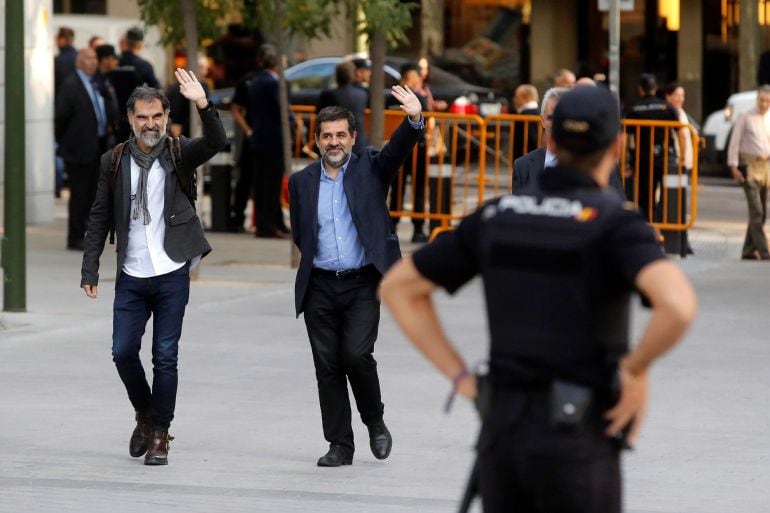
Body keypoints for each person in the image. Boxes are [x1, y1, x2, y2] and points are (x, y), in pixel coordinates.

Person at [381, 85, 697, 513]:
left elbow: (399, 288)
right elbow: (677, 306)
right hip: (578, 439)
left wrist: (460, 377)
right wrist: (634, 368)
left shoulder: (498, 214)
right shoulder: (614, 225)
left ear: (551, 138)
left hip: (503, 436)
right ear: (618, 146)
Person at [80, 73, 226, 465]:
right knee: (122, 351)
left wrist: (203, 103)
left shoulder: (178, 152)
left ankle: (160, 434)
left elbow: (218, 142)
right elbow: (99, 217)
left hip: (171, 270)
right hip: (131, 273)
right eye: (143, 117)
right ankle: (145, 414)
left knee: (165, 356)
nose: (151, 124)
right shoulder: (113, 161)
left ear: (165, 116)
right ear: (130, 118)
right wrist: (89, 269)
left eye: (157, 116)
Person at [288, 86, 424, 467]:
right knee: (327, 366)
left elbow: (399, 150)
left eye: (341, 135)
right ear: (316, 140)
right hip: (319, 285)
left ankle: (375, 420)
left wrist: (414, 119)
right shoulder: (302, 182)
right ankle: (339, 446)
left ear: (353, 137)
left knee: (356, 354)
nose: (334, 142)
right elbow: (302, 234)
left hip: (363, 282)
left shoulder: (371, 167)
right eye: (327, 135)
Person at [55, 48, 113, 251]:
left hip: (96, 147)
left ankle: (85, 232)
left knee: (91, 194)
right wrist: (66, 141)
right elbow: (61, 117)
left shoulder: (95, 83)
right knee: (79, 195)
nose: (93, 62)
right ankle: (75, 237)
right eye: (88, 58)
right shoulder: (71, 84)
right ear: (79, 62)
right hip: (78, 149)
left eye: (95, 58)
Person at [246, 44, 292, 239]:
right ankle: (269, 225)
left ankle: (272, 222)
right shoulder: (274, 84)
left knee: (263, 184)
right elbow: (282, 110)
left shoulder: (256, 81)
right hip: (273, 139)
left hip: (259, 138)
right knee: (271, 185)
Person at [624, 73, 679, 220]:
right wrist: (682, 158)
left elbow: (624, 137)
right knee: (670, 195)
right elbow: (681, 132)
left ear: (640, 89)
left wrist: (625, 161)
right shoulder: (667, 107)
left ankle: (647, 226)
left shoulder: (633, 109)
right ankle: (664, 224)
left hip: (643, 159)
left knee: (645, 196)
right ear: (655, 88)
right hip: (666, 157)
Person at [388, 62, 430, 243]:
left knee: (397, 187)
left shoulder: (389, 98)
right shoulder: (419, 99)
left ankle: (392, 226)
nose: (418, 80)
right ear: (408, 78)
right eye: (415, 77)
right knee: (418, 188)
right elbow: (426, 123)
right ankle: (418, 228)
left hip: (395, 148)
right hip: (416, 148)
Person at [727, 85, 770, 260]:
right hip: (749, 166)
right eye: (762, 100)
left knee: (761, 213)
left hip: (765, 166)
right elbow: (734, 142)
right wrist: (733, 166)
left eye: (768, 101)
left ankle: (747, 250)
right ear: (757, 99)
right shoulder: (745, 117)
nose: (764, 104)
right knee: (757, 211)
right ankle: (764, 250)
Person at [512, 87, 569, 190]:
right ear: (542, 120)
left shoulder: (592, 167)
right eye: (551, 118)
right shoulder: (522, 166)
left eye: (562, 118)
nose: (556, 125)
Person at [664, 82, 696, 255]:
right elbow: (682, 136)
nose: (680, 99)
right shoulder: (669, 111)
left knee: (680, 203)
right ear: (668, 96)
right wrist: (682, 158)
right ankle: (680, 242)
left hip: (683, 164)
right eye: (677, 95)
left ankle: (683, 241)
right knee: (674, 203)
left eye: (682, 95)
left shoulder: (680, 112)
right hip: (676, 163)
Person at [317, 61, 369, 154]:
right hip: (359, 142)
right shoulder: (362, 94)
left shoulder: (328, 95)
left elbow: (319, 115)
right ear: (353, 75)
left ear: (337, 76)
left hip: (334, 143)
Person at [166, 56, 211, 137]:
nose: (206, 72)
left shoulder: (173, 86)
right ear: (197, 67)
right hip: (186, 130)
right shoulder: (202, 86)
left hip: (179, 130)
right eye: (204, 68)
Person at [512, 83, 541, 158]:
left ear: (525, 97)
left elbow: (531, 139)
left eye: (516, 96)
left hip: (525, 160)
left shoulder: (524, 116)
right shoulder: (541, 112)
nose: (514, 100)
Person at [54, 27, 77, 97]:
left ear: (62, 40)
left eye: (57, 39)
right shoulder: (78, 56)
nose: (55, 42)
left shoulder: (58, 60)